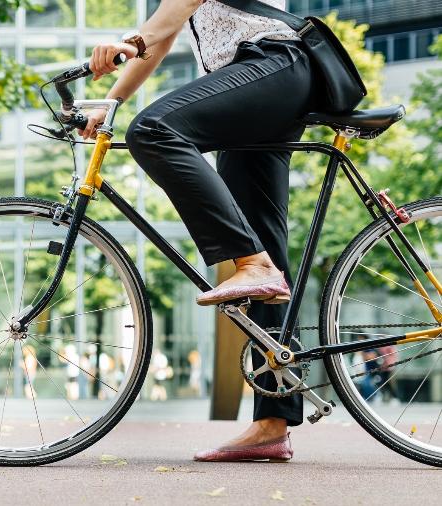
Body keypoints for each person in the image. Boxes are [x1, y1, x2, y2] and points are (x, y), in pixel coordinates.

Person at [85, 0, 315, 462]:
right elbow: (166, 34)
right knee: (264, 251)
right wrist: (112, 102)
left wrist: (130, 43)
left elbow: (175, 12)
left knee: (152, 129)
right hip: (257, 86)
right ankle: (272, 424)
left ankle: (252, 264)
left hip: (274, 65)